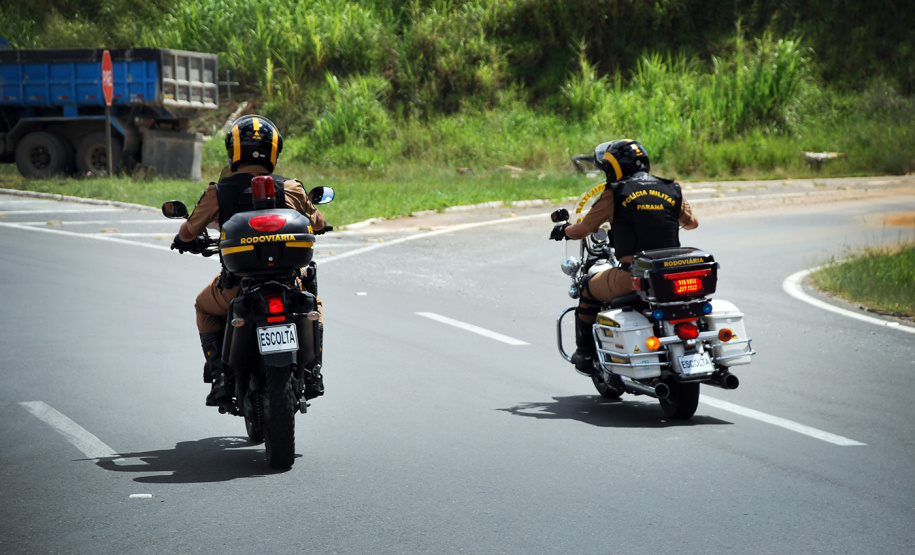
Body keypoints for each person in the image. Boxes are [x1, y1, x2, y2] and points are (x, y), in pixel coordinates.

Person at [172, 114, 327, 405]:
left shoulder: (217, 192)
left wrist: (184, 240)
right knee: (314, 304)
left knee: (203, 306)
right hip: (289, 283)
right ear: (274, 151)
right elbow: (318, 223)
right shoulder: (292, 188)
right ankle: (312, 372)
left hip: (238, 286)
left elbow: (188, 231)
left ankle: (220, 375)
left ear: (234, 151)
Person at [550, 139, 698, 373]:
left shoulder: (615, 193)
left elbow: (580, 231)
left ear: (614, 168)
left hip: (633, 276)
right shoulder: (671, 188)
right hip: (671, 272)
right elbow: (692, 224)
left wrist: (563, 229)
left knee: (588, 287)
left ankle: (585, 353)